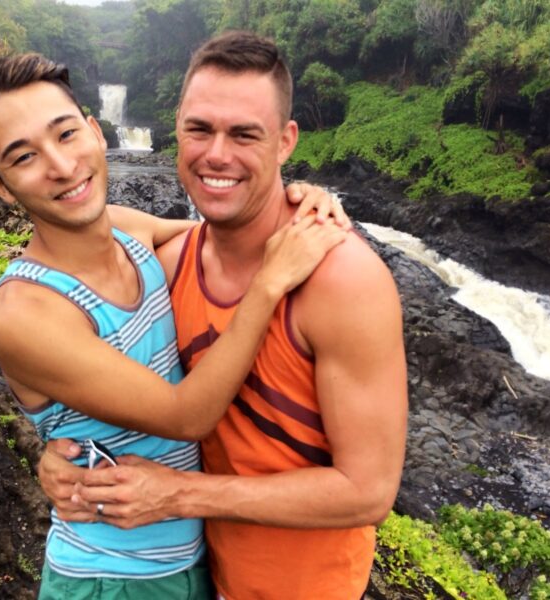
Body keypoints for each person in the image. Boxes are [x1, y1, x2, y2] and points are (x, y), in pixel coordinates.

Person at [0, 48, 349, 599]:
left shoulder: (127, 232)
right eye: (23, 157)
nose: (62, 166)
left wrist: (302, 199)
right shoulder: (28, 311)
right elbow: (187, 416)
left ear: (95, 131)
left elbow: (221, 232)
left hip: (188, 562)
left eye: (66, 134)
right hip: (109, 576)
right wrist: (267, 287)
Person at [40, 31, 408, 600]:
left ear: (285, 142)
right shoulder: (167, 262)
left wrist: (180, 494)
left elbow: (368, 492)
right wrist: (63, 457)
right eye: (200, 129)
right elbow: (61, 233)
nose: (217, 154)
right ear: (177, 128)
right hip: (196, 574)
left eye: (244, 134)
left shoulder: (343, 281)